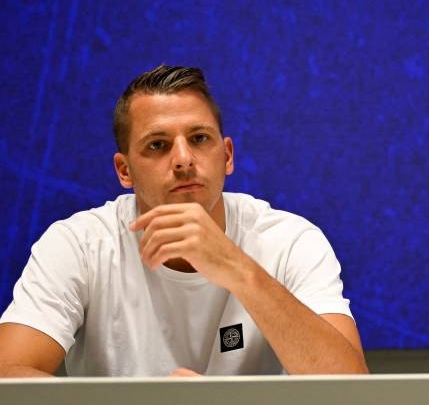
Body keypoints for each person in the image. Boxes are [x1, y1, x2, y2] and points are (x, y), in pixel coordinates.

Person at [0, 66, 368, 376]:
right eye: (157, 145)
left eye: (199, 138)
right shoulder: (78, 245)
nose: (183, 160)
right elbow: (8, 377)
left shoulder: (290, 241)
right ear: (124, 170)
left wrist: (237, 268)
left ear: (226, 156)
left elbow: (351, 391)